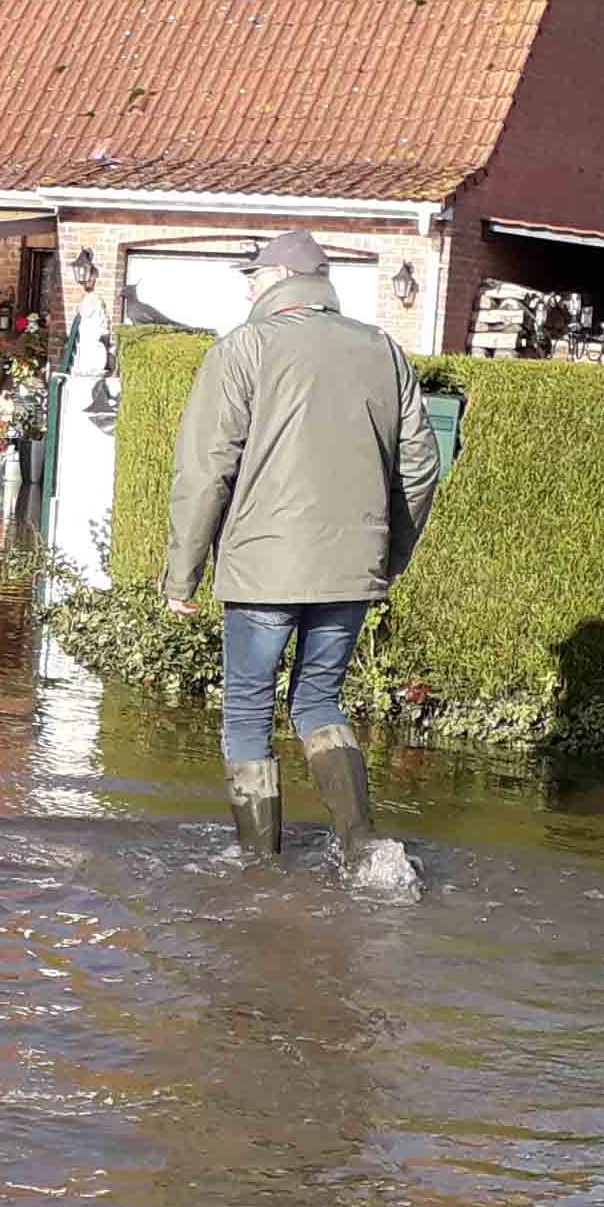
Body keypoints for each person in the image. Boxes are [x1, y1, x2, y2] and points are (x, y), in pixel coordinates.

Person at [160, 230, 442, 870]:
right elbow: (420, 469)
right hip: (351, 568)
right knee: (318, 701)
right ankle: (364, 844)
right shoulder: (384, 350)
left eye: (254, 277)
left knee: (247, 708)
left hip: (263, 568)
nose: (250, 287)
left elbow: (205, 470)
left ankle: (258, 864)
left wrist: (182, 577)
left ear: (282, 277)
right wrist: (386, 555)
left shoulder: (244, 349)